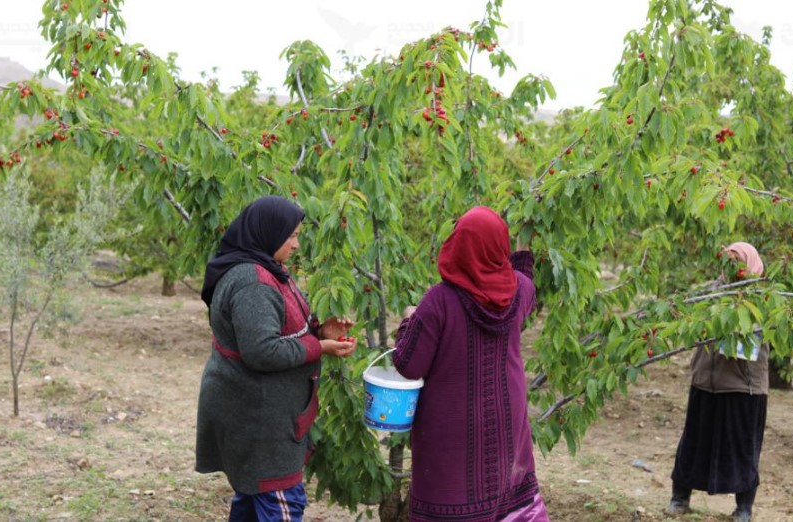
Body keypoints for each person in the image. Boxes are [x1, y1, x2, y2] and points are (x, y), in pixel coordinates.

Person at [195, 195, 357, 522]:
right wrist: (319, 348)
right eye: (292, 235)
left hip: (258, 414)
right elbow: (262, 351)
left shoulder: (268, 270)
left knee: (253, 500)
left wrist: (320, 331)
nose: (297, 244)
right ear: (268, 232)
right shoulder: (253, 281)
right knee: (281, 501)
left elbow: (279, 329)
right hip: (258, 420)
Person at [392, 206, 549, 522]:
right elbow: (526, 280)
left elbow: (408, 364)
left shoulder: (439, 302)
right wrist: (523, 248)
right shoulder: (517, 291)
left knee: (451, 497)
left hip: (451, 431)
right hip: (506, 423)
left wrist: (408, 321)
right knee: (506, 496)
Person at [666, 242, 768, 522]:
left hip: (742, 386)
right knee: (694, 442)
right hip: (705, 381)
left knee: (742, 446)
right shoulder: (712, 291)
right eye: (727, 261)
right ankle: (680, 497)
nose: (731, 268)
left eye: (737, 261)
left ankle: (744, 507)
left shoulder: (763, 297)